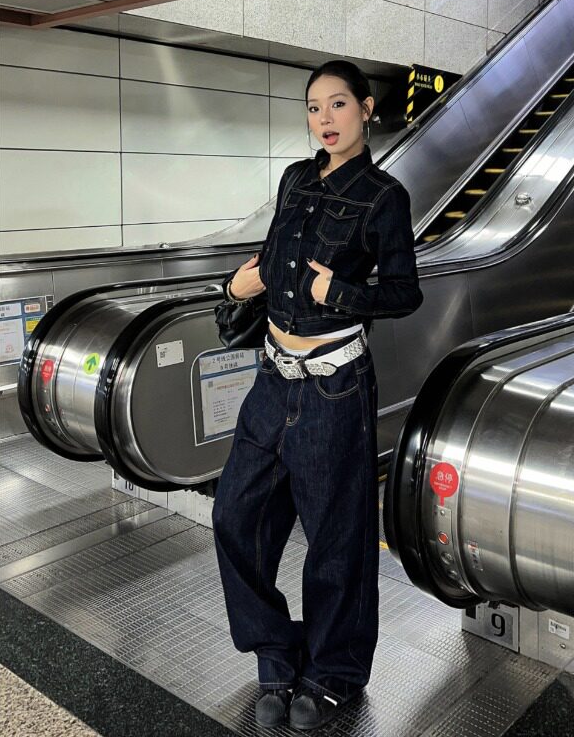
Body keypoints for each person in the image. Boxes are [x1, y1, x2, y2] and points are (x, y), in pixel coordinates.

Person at [212, 60, 423, 731]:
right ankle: (276, 650)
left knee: (336, 539)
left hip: (335, 386)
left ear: (366, 109)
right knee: (235, 517)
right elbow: (272, 261)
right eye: (313, 108)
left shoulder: (384, 197)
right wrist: (236, 288)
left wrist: (343, 292)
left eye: (338, 104)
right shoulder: (295, 180)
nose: (324, 119)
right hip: (272, 379)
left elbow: (405, 292)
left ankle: (334, 671)